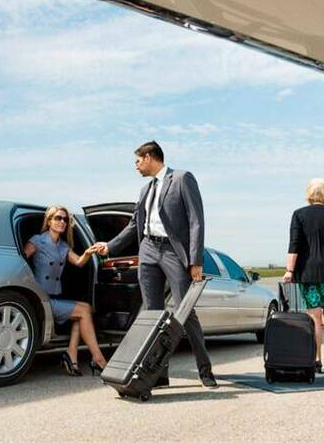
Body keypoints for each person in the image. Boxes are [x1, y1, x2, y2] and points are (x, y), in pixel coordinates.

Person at [96, 141, 217, 388]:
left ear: (149, 157)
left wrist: (195, 261)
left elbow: (196, 220)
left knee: (185, 311)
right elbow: (134, 225)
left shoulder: (181, 179)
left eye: (138, 161)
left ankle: (205, 370)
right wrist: (109, 246)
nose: (136, 166)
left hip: (173, 251)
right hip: (148, 250)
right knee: (152, 314)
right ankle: (158, 374)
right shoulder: (145, 190)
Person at [24, 205, 108, 376]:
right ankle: (99, 359)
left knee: (84, 310)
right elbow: (21, 261)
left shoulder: (63, 246)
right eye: (58, 218)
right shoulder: (37, 241)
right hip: (41, 300)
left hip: (54, 297)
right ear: (49, 221)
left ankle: (72, 355)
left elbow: (79, 262)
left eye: (65, 219)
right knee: (83, 311)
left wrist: (88, 252)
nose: (62, 222)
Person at [283, 178, 324, 374]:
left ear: (309, 194)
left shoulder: (299, 214)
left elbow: (294, 244)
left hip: (309, 271)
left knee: (314, 316)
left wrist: (289, 270)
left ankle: (316, 360)